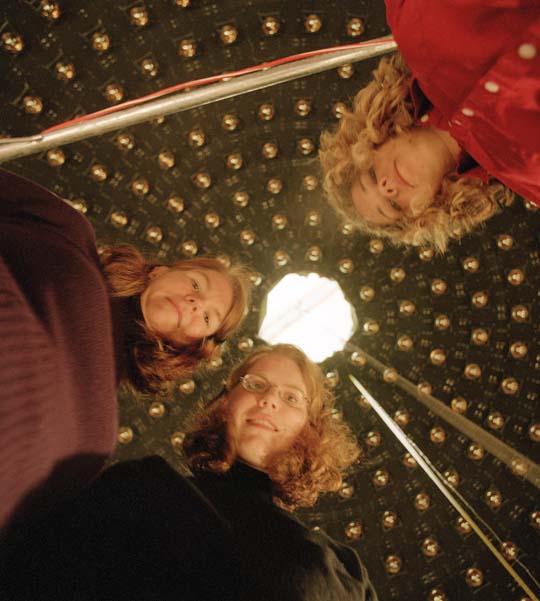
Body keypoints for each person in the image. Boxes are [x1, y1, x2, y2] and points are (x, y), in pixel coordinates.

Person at [0, 344, 378, 601]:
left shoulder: (347, 571)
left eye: (291, 397)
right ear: (225, 403)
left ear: (311, 428)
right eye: (256, 384)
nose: (269, 399)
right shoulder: (143, 487)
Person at [0, 168, 251, 529]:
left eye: (209, 318)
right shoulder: (68, 231)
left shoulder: (97, 441)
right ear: (159, 271)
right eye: (197, 283)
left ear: (192, 347)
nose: (196, 302)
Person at [320, 0, 540, 252]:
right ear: (426, 213)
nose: (386, 188)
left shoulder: (407, 18)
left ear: (369, 139)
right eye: (392, 206)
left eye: (370, 176)